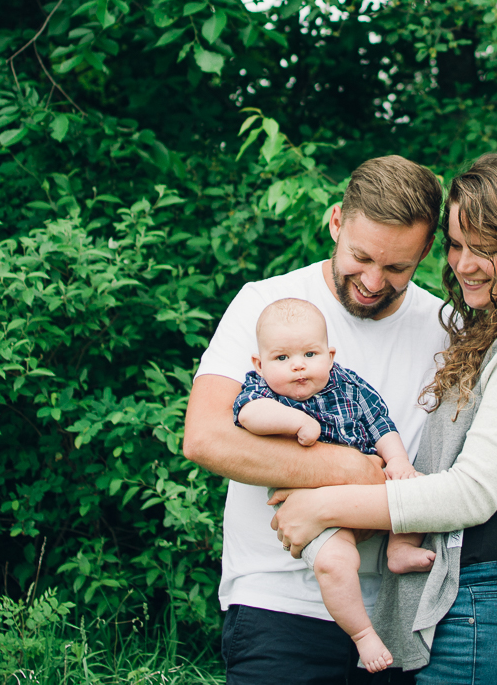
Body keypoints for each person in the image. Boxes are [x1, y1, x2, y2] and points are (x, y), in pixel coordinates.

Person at [268, 154, 497, 685]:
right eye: (457, 244)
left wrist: (322, 504)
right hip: (475, 599)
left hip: (495, 601)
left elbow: (471, 494)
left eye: (485, 248)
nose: (463, 264)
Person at [184, 155, 450, 685]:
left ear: (425, 250)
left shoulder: (446, 330)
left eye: (397, 267)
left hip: (401, 617)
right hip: (278, 608)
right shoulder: (264, 305)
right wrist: (355, 471)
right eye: (361, 257)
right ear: (335, 223)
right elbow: (207, 438)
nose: (374, 281)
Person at [232, 297, 436, 673]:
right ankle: (363, 634)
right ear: (259, 365)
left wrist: (399, 462)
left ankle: (400, 548)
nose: (298, 365)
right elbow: (247, 415)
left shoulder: (349, 384)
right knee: (337, 563)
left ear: (329, 354)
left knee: (418, 490)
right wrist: (294, 421)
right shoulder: (263, 392)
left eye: (310, 354)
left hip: (367, 494)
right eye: (281, 359)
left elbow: (381, 423)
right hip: (313, 510)